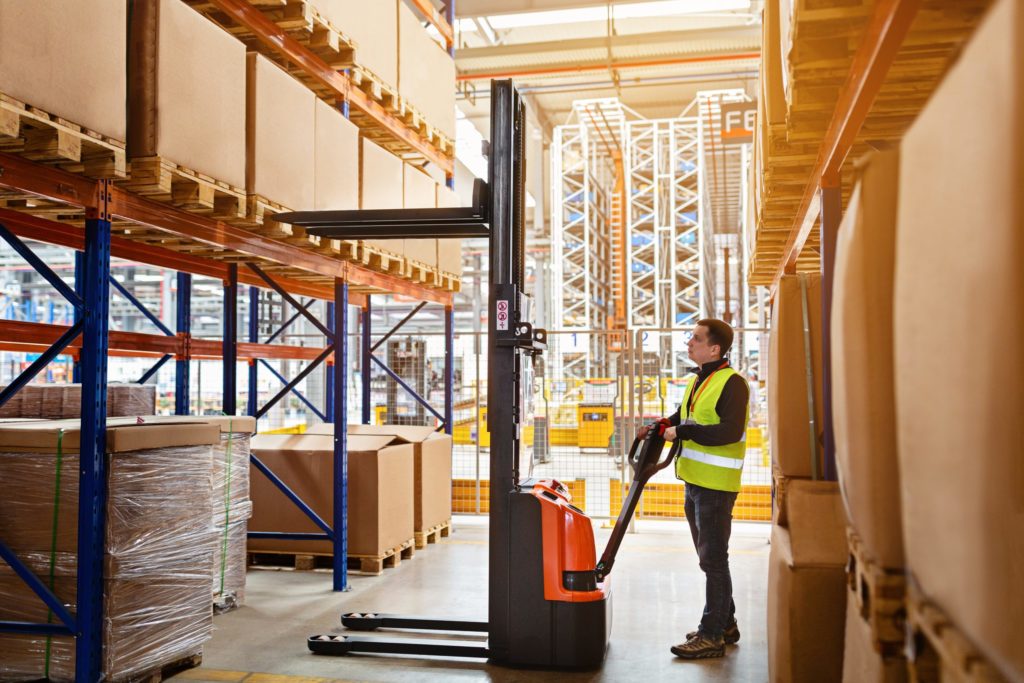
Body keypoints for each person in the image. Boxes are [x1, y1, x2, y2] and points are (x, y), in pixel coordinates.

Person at [640, 319, 749, 660]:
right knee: (710, 559)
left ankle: (711, 635)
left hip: (716, 486)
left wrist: (683, 433)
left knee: (713, 561)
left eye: (696, 339)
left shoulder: (733, 384)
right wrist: (663, 424)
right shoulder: (702, 379)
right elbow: (684, 414)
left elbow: (728, 432)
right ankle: (725, 624)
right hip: (696, 481)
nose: (690, 343)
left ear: (715, 348)